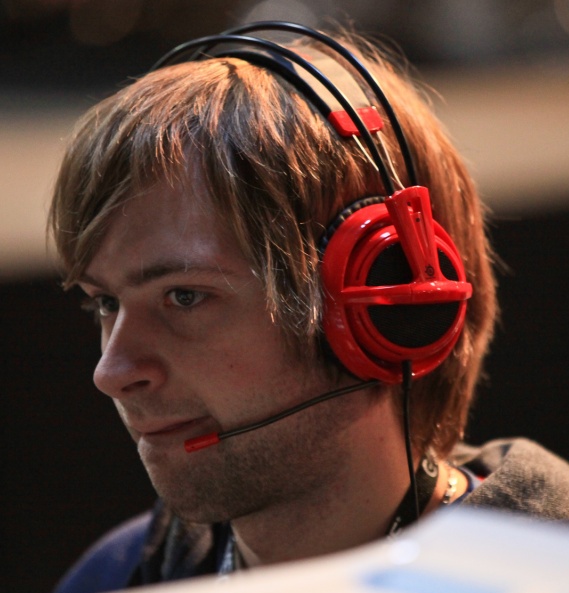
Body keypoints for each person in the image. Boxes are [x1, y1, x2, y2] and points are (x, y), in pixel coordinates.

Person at [48, 21, 569, 593]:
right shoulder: (115, 576)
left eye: (185, 297)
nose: (112, 373)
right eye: (105, 303)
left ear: (388, 306)